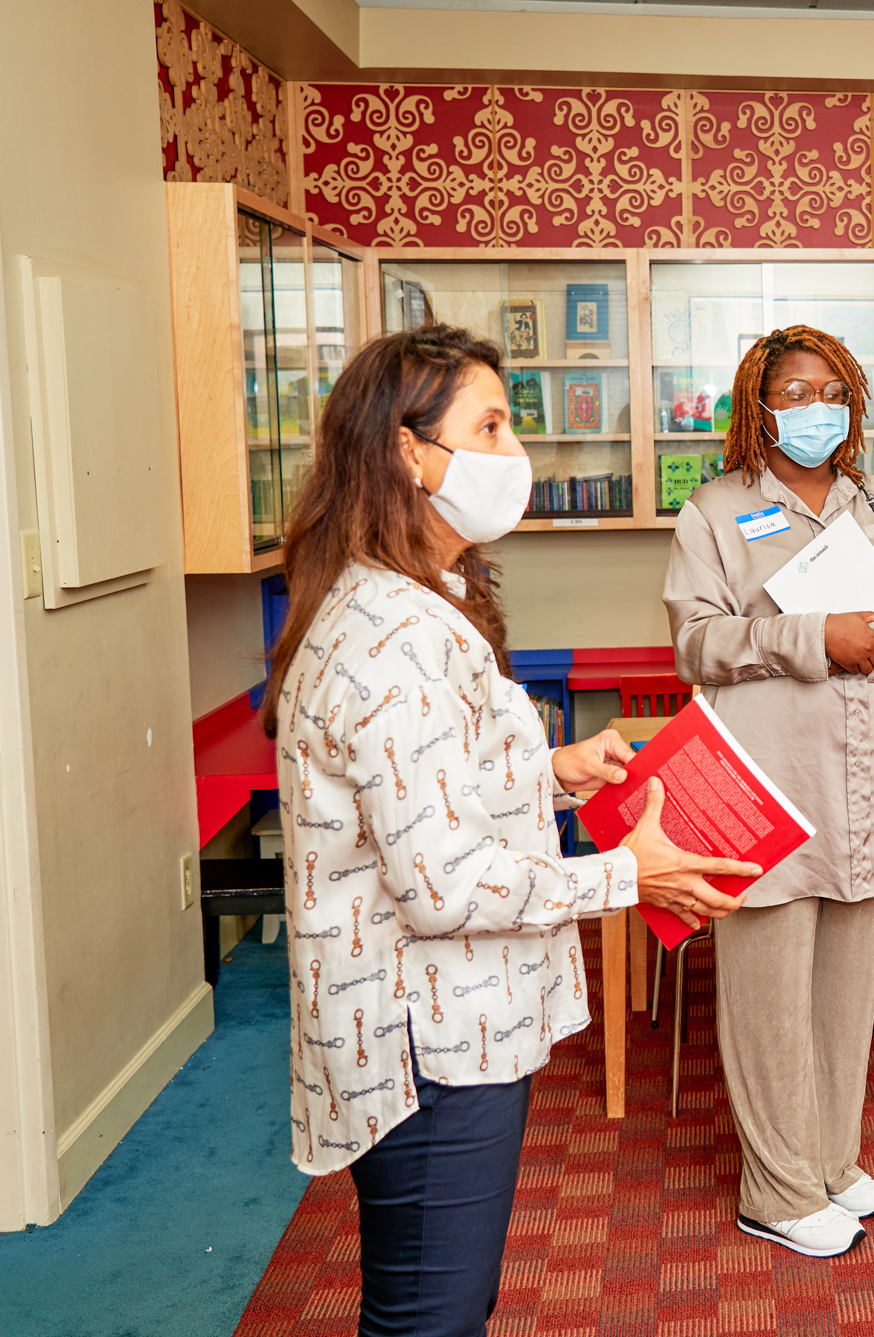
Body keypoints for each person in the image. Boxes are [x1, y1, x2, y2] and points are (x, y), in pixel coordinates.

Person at [266, 325, 754, 1337]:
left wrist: (549, 769)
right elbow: (441, 885)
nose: (512, 453)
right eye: (486, 425)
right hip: (429, 1043)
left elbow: (414, 788)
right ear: (408, 452)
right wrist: (626, 876)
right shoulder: (394, 636)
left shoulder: (406, 596)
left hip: (435, 1027)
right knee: (429, 1316)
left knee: (443, 1301)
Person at [663, 326, 874, 1258]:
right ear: (758, 404)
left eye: (830, 389)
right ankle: (776, 1188)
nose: (813, 407)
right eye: (793, 391)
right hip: (771, 791)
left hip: (873, 788)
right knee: (767, 998)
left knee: (844, 992)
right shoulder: (712, 511)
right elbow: (696, 645)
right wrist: (810, 635)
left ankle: (831, 1163)